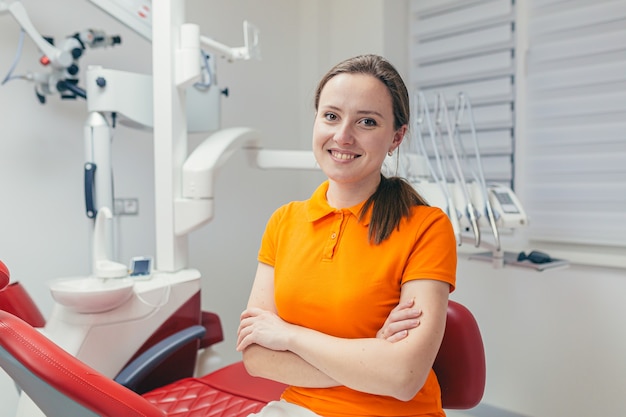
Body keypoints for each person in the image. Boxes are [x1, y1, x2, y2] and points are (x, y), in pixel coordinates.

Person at [237, 54, 457, 417]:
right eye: (331, 116)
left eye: (367, 121)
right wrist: (372, 355)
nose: (343, 136)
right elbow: (258, 357)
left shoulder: (426, 227)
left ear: (396, 137)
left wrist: (290, 337)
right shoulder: (284, 221)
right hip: (296, 410)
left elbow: (403, 378)